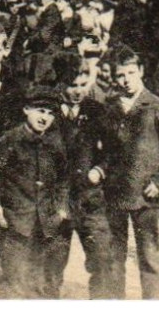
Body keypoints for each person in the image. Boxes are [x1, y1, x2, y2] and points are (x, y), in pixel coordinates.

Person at [97, 45, 159, 299]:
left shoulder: (157, 106)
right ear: (113, 78)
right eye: (120, 76)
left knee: (149, 258)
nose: (125, 80)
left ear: (141, 72)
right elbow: (106, 151)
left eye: (130, 73)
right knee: (113, 259)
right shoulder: (110, 107)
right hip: (114, 195)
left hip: (147, 197)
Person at [0, 86, 70, 299]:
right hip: (16, 223)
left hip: (46, 223)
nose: (45, 118)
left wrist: (61, 208)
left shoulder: (55, 143)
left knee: (42, 284)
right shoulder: (10, 140)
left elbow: (63, 179)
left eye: (51, 114)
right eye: (40, 111)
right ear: (26, 109)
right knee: (14, 283)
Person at [52, 56, 119, 299]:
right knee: (50, 266)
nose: (79, 91)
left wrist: (100, 169)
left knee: (103, 259)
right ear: (60, 84)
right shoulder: (46, 112)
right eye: (73, 85)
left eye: (83, 84)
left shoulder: (97, 111)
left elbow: (113, 150)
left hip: (89, 199)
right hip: (56, 201)